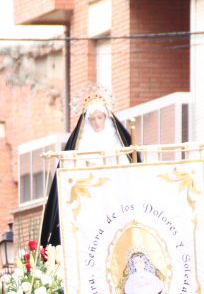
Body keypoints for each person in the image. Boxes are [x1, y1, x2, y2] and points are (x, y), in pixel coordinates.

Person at [38, 86, 136, 246]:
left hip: (115, 193)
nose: (97, 123)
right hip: (90, 194)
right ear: (87, 120)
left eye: (100, 118)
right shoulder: (80, 143)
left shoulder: (117, 140)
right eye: (93, 119)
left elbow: (129, 166)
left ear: (106, 117)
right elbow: (72, 169)